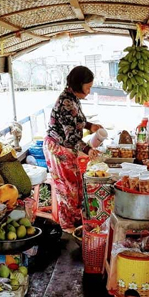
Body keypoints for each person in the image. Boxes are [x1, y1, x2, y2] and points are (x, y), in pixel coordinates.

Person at [44, 66, 103, 232]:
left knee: (75, 185)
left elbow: (76, 121)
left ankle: (76, 221)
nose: (89, 91)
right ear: (79, 84)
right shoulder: (67, 102)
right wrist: (88, 149)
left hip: (67, 146)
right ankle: (68, 227)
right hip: (58, 147)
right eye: (88, 87)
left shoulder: (73, 98)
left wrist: (90, 126)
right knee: (67, 188)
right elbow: (71, 137)